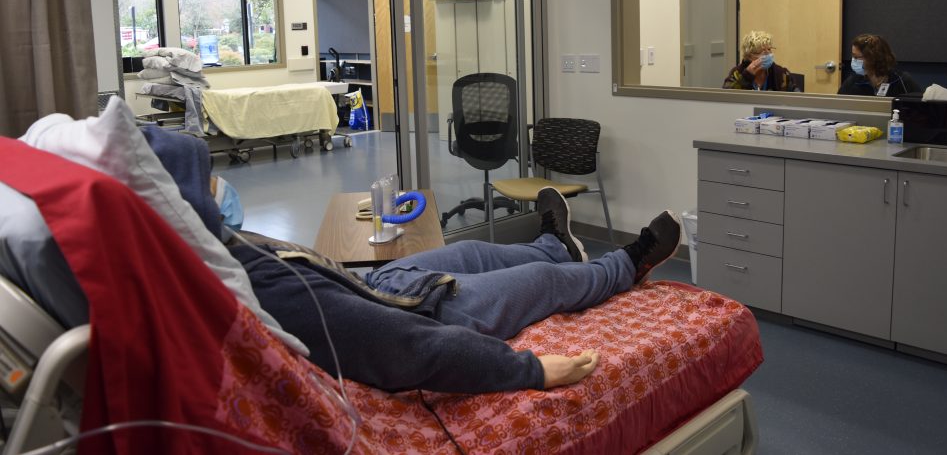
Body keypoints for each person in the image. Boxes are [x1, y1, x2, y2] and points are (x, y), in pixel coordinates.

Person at [229, 187, 681, 395]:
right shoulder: (257, 289)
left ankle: (553, 246)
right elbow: (397, 345)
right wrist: (529, 371)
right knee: (544, 285)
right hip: (414, 315)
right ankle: (627, 264)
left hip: (375, 287)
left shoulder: (222, 250)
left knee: (470, 252)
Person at [837, 33, 921, 97]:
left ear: (874, 58)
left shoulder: (901, 80)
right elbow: (838, 106)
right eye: (853, 56)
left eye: (857, 57)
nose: (853, 60)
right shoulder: (853, 81)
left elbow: (920, 109)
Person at [722, 30, 799, 91]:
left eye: (769, 49)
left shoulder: (781, 73)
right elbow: (727, 97)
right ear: (749, 56)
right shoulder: (737, 73)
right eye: (763, 52)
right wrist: (746, 77)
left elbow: (797, 97)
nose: (769, 55)